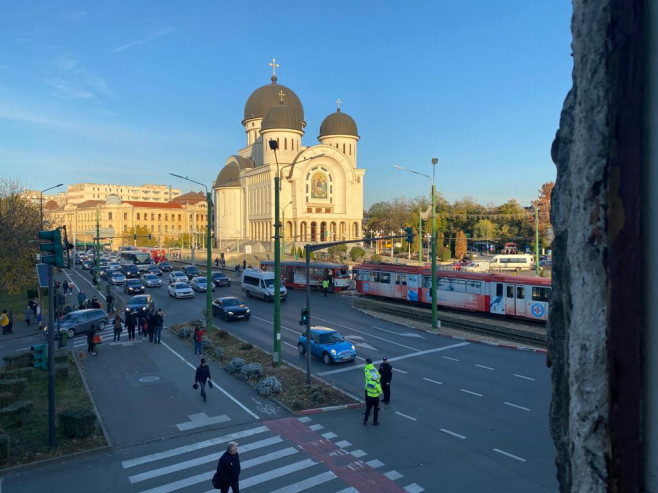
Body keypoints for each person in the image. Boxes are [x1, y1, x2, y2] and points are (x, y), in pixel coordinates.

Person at [363, 358, 382, 426]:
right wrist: (376, 383)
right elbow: (379, 376)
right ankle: (375, 422)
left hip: (368, 388)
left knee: (368, 406)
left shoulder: (366, 368)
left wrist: (370, 382)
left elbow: (367, 377)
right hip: (375, 396)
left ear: (367, 363)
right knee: (375, 410)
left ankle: (365, 419)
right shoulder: (374, 369)